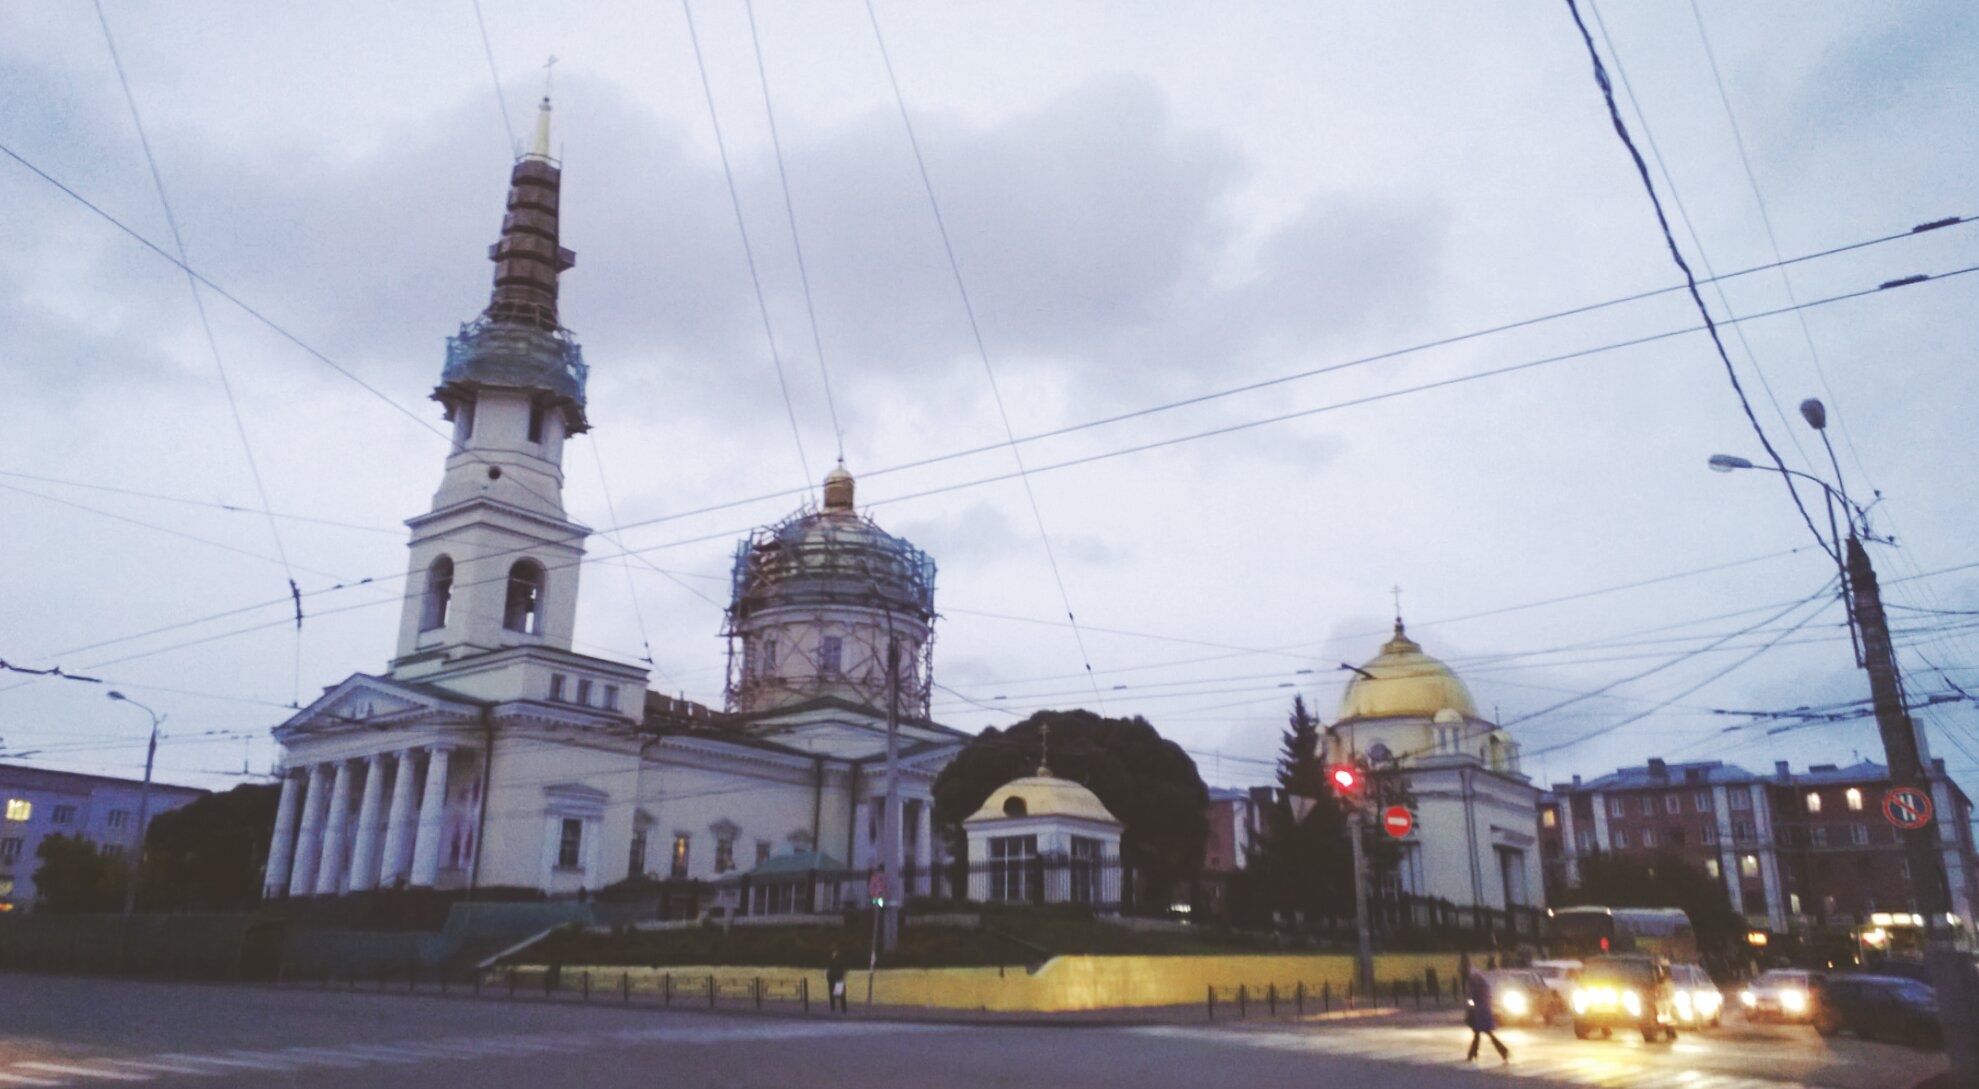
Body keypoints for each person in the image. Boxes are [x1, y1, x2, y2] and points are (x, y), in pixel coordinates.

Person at [1466, 969, 1509, 1063]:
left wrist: (1471, 1006)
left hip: (1479, 1014)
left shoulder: (1477, 986)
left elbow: (1471, 1000)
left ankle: (1503, 1051)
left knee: (1480, 1035)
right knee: (1482, 1035)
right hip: (1485, 1013)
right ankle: (1472, 1054)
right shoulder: (1484, 985)